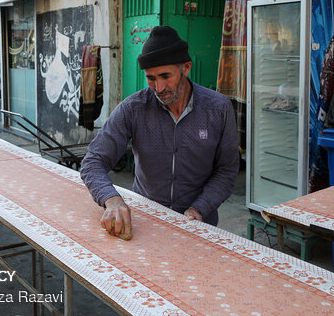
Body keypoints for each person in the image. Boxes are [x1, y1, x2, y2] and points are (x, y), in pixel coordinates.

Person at [80, 26, 239, 238]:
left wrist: (199, 208)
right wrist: (112, 199)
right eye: (151, 78)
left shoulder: (218, 108)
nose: (159, 87)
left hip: (199, 224)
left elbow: (227, 170)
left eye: (166, 76)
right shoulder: (133, 108)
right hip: (146, 223)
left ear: (187, 68)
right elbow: (93, 160)